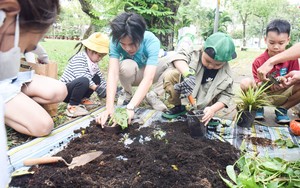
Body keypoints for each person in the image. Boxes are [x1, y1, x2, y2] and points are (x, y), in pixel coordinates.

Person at [0, 0, 61, 186]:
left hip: (12, 81)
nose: (23, 53)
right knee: (43, 124)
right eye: (25, 48)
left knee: (59, 89)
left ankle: (21, 107)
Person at [0, 0, 66, 137]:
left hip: (15, 74)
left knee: (59, 91)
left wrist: (41, 58)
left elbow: (31, 47)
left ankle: (19, 104)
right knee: (43, 126)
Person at [96, 12, 168, 126]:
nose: (128, 48)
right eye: (123, 44)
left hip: (149, 72)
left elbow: (148, 78)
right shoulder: (114, 41)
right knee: (126, 65)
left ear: (141, 36)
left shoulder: (151, 40)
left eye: (132, 43)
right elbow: (113, 74)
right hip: (132, 72)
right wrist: (109, 108)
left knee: (173, 62)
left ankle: (153, 95)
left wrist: (130, 107)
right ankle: (127, 93)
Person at [162, 32, 237, 126]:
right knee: (172, 75)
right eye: (208, 61)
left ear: (225, 62)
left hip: (205, 102)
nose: (211, 66)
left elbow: (227, 95)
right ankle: (179, 107)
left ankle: (203, 114)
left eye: (217, 65)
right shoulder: (194, 52)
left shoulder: (227, 75)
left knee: (206, 110)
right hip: (185, 91)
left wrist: (212, 109)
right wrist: (188, 75)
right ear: (203, 49)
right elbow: (178, 57)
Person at [240, 19, 300, 123]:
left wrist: (285, 81)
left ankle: (282, 109)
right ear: (265, 40)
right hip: (264, 94)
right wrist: (266, 84)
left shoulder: (292, 58)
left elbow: (296, 78)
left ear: (288, 40)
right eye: (272, 42)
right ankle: (257, 107)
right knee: (245, 82)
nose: (276, 47)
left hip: (283, 93)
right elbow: (256, 82)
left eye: (281, 43)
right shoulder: (259, 61)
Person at [60, 32, 109, 117]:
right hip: (66, 91)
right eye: (99, 55)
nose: (100, 59)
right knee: (84, 80)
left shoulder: (93, 64)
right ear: (90, 49)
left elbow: (101, 79)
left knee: (96, 78)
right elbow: (81, 75)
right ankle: (72, 106)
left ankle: (82, 100)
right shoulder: (80, 58)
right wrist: (96, 88)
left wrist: (107, 90)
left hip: (78, 90)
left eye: (102, 56)